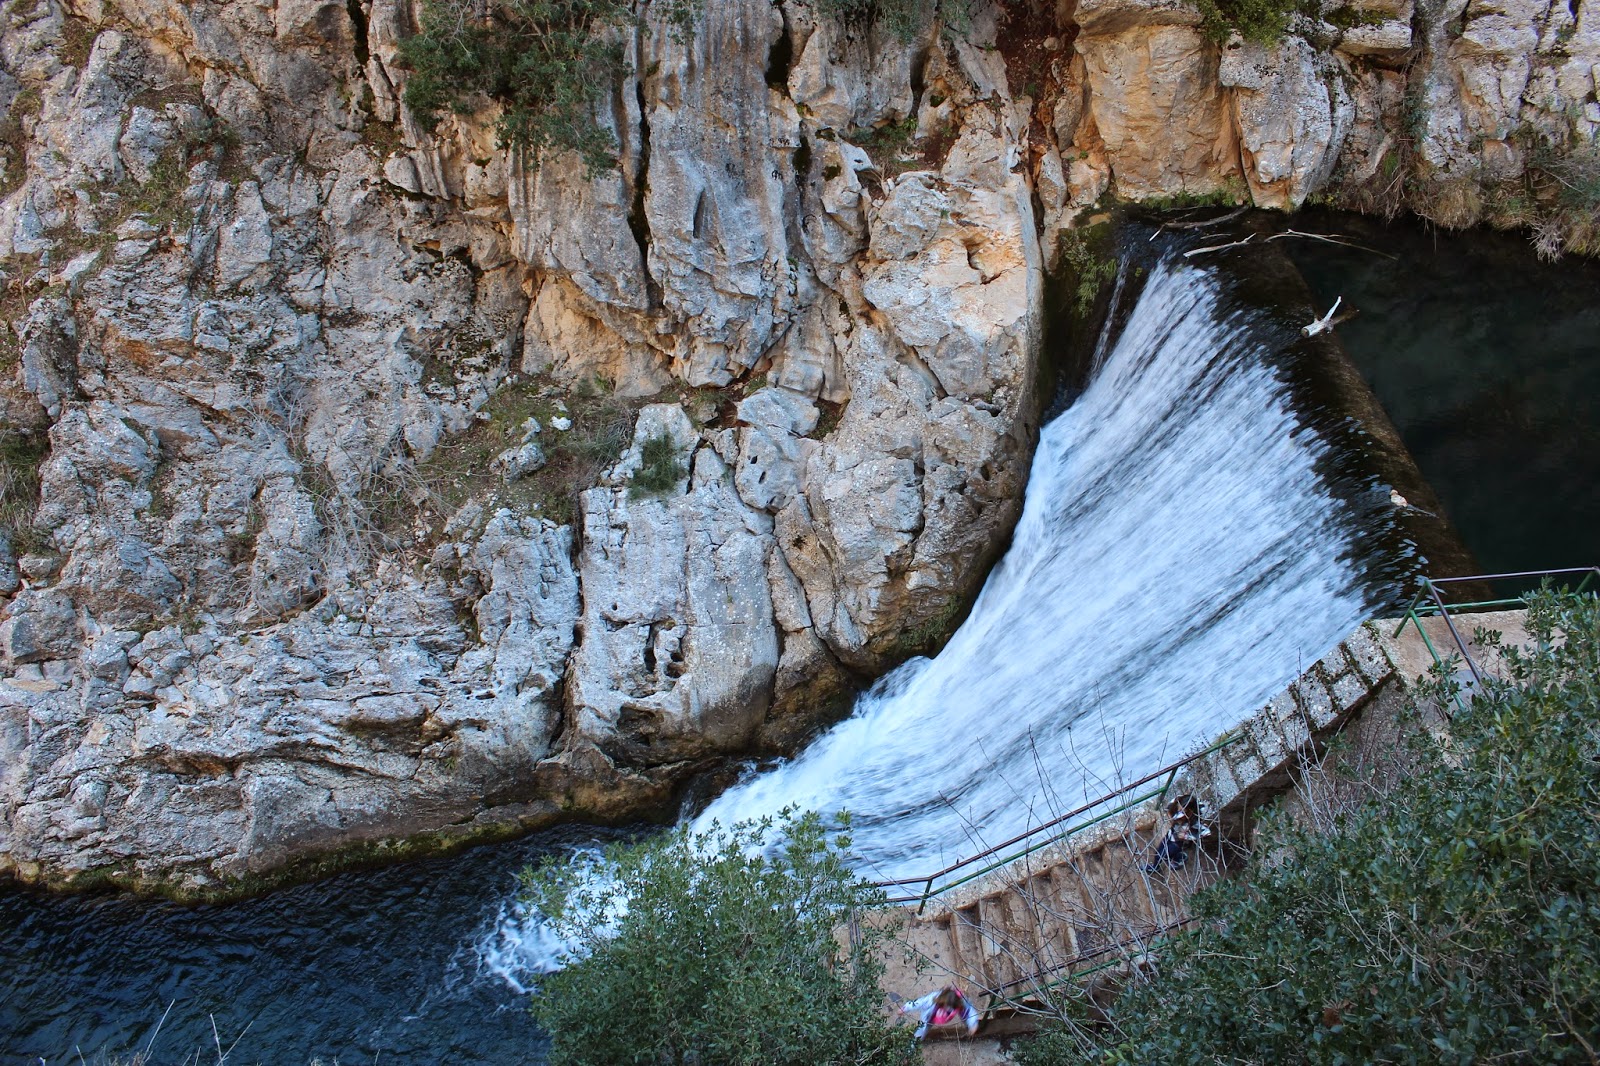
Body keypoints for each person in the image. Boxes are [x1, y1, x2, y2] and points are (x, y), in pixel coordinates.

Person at [1144, 794, 1210, 873]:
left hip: (1178, 841)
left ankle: (1155, 867)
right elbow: (1169, 808)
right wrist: (1170, 818)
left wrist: (1186, 836)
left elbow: (1206, 832)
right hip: (1170, 834)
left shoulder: (1194, 819)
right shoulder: (1176, 803)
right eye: (1180, 807)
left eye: (1183, 809)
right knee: (1160, 850)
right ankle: (1179, 857)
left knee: (1162, 855)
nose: (1180, 810)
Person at [900, 985, 979, 1040]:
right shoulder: (932, 999)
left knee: (925, 1030)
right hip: (928, 1017)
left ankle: (919, 1038)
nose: (947, 1008)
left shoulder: (959, 1003)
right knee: (921, 1031)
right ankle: (913, 1045)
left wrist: (972, 1024)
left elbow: (969, 1012)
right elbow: (919, 1002)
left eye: (950, 1007)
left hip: (938, 1017)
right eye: (945, 1006)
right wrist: (905, 1008)